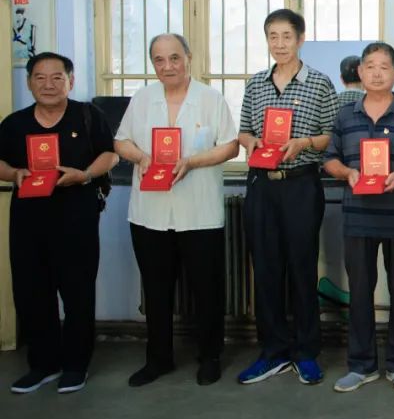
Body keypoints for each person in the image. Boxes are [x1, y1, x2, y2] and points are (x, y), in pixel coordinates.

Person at [114, 33, 239, 387]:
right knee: (156, 290)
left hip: (199, 213)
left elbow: (231, 147)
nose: (167, 66)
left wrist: (193, 161)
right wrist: (141, 156)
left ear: (188, 58)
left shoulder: (211, 99)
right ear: (153, 64)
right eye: (159, 59)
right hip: (149, 214)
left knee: (207, 290)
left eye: (174, 58)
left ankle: (209, 356)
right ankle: (158, 359)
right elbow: (120, 141)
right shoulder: (142, 98)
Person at [0, 52, 118, 394]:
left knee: (78, 291)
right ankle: (43, 364)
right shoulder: (15, 123)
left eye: (57, 77)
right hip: (28, 219)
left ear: (71, 81)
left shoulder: (87, 116)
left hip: (76, 216)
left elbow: (110, 154)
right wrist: (14, 173)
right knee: (32, 291)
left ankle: (76, 365)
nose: (48, 84)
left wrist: (85, 175)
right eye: (40, 77)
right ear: (29, 83)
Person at [235, 9, 339, 386]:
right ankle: (273, 351)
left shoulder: (320, 83)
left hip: (300, 184)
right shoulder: (256, 84)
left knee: (301, 267)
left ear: (300, 39)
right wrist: (253, 142)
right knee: (265, 270)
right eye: (273, 37)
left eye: (286, 36)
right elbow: (243, 132)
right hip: (262, 185)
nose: (279, 44)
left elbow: (331, 135)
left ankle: (306, 352)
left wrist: (304, 142)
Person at [324, 42, 394, 393]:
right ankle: (362, 365)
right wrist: (347, 173)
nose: (376, 73)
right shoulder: (345, 115)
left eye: (384, 66)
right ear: (360, 72)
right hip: (358, 216)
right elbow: (330, 158)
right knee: (359, 292)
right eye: (370, 66)